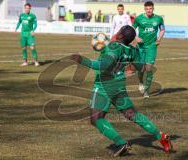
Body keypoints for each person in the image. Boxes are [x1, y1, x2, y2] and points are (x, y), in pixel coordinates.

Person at [71, 25, 173, 157]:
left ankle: (120, 142)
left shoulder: (113, 47)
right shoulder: (131, 50)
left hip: (103, 86)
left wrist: (81, 59)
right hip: (119, 86)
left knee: (96, 119)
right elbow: (140, 67)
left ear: (120, 35)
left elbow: (102, 66)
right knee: (132, 114)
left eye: (118, 31)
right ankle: (160, 136)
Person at [133, 1, 165, 98]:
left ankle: (146, 91)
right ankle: (141, 82)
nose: (149, 10)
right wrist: (136, 38)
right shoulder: (139, 18)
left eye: (150, 8)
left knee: (149, 68)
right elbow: (131, 29)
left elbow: (162, 29)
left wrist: (159, 39)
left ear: (153, 8)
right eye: (147, 9)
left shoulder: (159, 19)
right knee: (141, 69)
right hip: (141, 47)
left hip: (151, 47)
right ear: (144, 9)